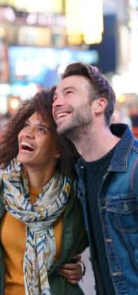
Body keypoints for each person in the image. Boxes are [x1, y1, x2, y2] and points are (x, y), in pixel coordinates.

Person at [0, 89, 87, 295]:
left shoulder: (76, 197)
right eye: (26, 125)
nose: (27, 134)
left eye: (41, 130)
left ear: (59, 148)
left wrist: (80, 268)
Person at [52, 62, 138, 294]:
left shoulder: (135, 166)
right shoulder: (80, 172)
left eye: (69, 93)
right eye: (55, 97)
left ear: (99, 105)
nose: (57, 102)